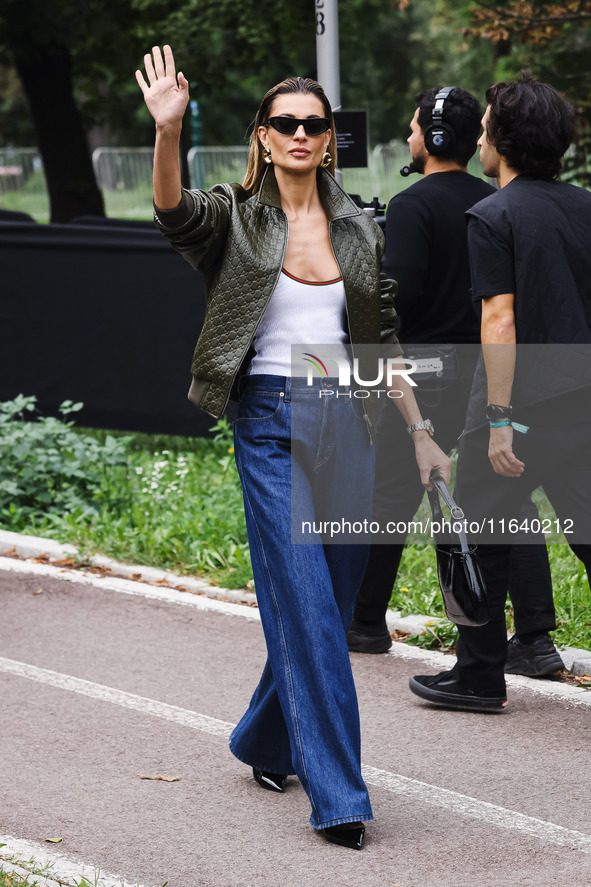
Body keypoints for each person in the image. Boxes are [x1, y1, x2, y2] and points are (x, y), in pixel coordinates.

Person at [136, 45, 451, 848]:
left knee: (330, 601)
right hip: (268, 423)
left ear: (327, 140)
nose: (301, 134)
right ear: (264, 137)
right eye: (286, 123)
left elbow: (382, 343)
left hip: (348, 419)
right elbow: (172, 210)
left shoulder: (358, 230)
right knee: (309, 608)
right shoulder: (234, 218)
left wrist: (419, 434)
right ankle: (340, 794)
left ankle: (263, 739)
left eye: (314, 124)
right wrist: (167, 131)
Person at [346, 85, 562, 678]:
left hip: (428, 370)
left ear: (433, 136)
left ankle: (362, 621)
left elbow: (397, 300)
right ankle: (536, 639)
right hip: (493, 372)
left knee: (393, 493)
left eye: (414, 128)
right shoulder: (497, 198)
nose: (410, 138)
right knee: (502, 500)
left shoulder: (414, 205)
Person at [409, 73, 591, 712]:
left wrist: (499, 417)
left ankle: (478, 676)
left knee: (472, 534)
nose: (479, 134)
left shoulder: (492, 215)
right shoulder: (585, 206)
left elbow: (499, 320)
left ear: (503, 141)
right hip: (584, 403)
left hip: (523, 408)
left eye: (486, 125)